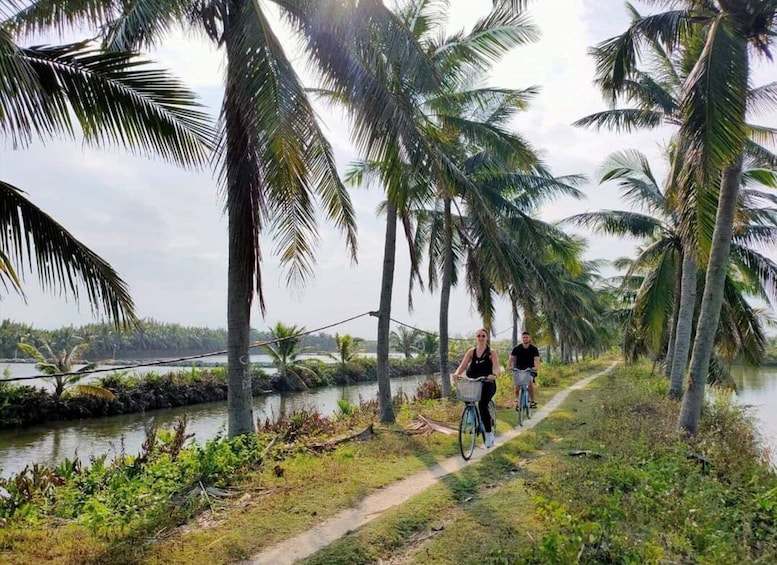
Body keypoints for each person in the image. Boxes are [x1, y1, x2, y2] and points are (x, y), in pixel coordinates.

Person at [452, 328, 501, 448]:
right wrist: (457, 374)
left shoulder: (491, 352)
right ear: (476, 337)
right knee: (466, 398)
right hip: (473, 382)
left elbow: (497, 368)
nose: (481, 338)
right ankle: (470, 415)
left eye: (483, 336)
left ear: (487, 338)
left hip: (487, 383)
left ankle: (489, 433)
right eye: (478, 335)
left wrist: (494, 375)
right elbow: (462, 366)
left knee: (482, 405)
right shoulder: (471, 352)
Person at [508, 331, 540, 409]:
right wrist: (509, 366)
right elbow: (511, 358)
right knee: (517, 385)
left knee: (530, 383)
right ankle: (517, 401)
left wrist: (536, 367)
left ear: (529, 338)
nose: (525, 339)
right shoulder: (516, 348)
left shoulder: (534, 349)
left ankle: (532, 401)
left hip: (530, 370)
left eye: (526, 337)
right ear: (521, 339)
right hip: (518, 370)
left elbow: (536, 360)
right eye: (523, 337)